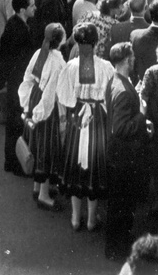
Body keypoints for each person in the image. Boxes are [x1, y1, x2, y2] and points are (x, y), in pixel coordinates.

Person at [56, 21, 115, 231]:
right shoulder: (106, 67)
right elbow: (110, 97)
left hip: (77, 119)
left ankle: (74, 217)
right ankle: (91, 219)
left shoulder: (70, 67)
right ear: (96, 42)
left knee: (75, 165)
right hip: (97, 120)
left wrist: (75, 106)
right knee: (94, 165)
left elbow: (63, 96)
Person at [105, 41, 152, 262]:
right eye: (131, 58)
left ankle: (116, 245)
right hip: (124, 156)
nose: (134, 61)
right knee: (122, 204)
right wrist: (142, 114)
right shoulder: (123, 91)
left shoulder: (116, 80)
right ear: (125, 60)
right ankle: (118, 248)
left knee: (118, 203)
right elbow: (121, 128)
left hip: (117, 155)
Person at [18, 21, 67, 208]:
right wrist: (39, 115)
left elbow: (27, 78)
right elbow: (50, 95)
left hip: (33, 97)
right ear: (60, 40)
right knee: (47, 150)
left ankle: (38, 187)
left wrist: (27, 107)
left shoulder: (40, 53)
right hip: (46, 108)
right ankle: (44, 196)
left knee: (36, 145)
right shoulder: (58, 62)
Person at [0, 0, 37, 176]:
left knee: (15, 122)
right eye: (32, 6)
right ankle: (15, 162)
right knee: (16, 123)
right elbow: (6, 57)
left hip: (17, 81)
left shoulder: (17, 25)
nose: (35, 8)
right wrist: (1, 80)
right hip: (17, 83)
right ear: (22, 9)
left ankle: (12, 161)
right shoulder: (18, 30)